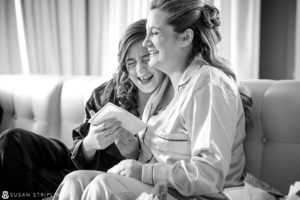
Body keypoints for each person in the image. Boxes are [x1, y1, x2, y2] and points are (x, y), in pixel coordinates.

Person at [55, 0, 253, 199]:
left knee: (104, 186)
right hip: (161, 190)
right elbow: (159, 157)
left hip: (200, 196)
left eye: (155, 33)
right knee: (75, 180)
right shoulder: (163, 89)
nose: (146, 42)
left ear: (185, 37)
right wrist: (133, 152)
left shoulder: (209, 84)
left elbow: (209, 176)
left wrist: (143, 171)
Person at [0, 19, 165, 194]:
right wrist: (89, 144)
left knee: (34, 180)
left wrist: (134, 153)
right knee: (13, 140)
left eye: (146, 58)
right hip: (74, 162)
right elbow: (79, 144)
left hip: (105, 177)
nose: (140, 70)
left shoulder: (176, 97)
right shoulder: (107, 93)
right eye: (131, 63)